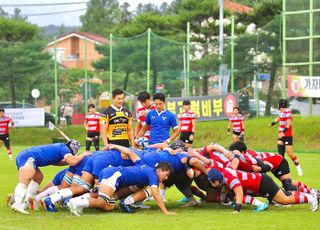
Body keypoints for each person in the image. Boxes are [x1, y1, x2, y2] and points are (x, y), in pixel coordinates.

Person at [68, 148, 176, 216]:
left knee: (109, 207)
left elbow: (130, 152)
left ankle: (79, 204)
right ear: (160, 170)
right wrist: (166, 212)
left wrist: (115, 146)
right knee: (102, 202)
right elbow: (156, 194)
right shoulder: (153, 174)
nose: (165, 178)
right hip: (113, 175)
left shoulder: (143, 164)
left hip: (111, 174)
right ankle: (75, 203)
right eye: (166, 175)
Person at [10, 140, 91, 214]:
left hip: (28, 156)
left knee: (38, 177)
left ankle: (27, 202)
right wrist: (83, 155)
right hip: (29, 157)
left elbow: (56, 162)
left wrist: (77, 159)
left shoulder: (61, 148)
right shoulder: (64, 149)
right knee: (24, 181)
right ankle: (17, 203)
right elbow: (73, 162)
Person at [207, 167, 318, 212]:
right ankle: (260, 204)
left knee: (284, 200)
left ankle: (312, 198)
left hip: (263, 183)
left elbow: (239, 192)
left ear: (218, 178)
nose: (213, 184)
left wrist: (237, 209)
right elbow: (227, 189)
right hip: (259, 183)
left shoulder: (229, 178)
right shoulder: (223, 173)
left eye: (213, 182)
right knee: (285, 196)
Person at [269, 99, 303, 176]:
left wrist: (282, 132)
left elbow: (288, 125)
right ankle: (283, 171)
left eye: (278, 104)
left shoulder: (288, 112)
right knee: (281, 155)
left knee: (290, 153)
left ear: (280, 105)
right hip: (281, 136)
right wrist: (272, 123)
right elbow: (279, 118)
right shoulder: (281, 112)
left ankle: (298, 167)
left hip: (287, 136)